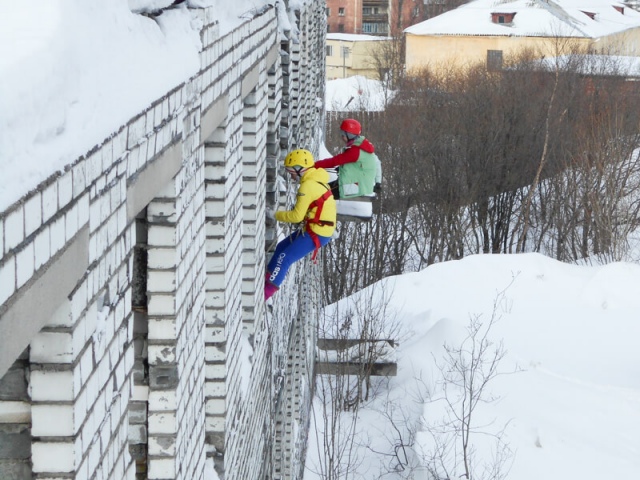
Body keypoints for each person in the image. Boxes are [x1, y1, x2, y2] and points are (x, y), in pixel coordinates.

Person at [264, 149, 337, 300]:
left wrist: (274, 214)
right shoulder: (317, 180)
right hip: (317, 228)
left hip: (318, 232)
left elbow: (296, 216)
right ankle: (267, 277)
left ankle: (266, 292)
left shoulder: (308, 186)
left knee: (285, 257)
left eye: (291, 172)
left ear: (299, 169)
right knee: (280, 248)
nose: (291, 176)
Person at [314, 118, 381, 199]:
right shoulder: (362, 145)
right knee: (322, 189)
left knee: (319, 194)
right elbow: (373, 163)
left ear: (349, 135)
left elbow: (335, 161)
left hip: (355, 188)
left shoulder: (355, 150)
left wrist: (314, 165)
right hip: (358, 185)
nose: (341, 136)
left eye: (343, 133)